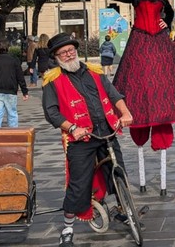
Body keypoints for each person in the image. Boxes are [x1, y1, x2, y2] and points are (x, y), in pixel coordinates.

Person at [100, 0, 175, 196]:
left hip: (158, 39)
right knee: (139, 80)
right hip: (140, 38)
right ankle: (139, 122)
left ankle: (160, 127)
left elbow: (170, 12)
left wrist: (167, 22)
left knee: (162, 79)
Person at [42, 32, 133, 247]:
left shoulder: (95, 72)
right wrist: (72, 128)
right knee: (79, 183)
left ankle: (123, 209)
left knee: (118, 171)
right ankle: (67, 228)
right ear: (56, 56)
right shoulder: (52, 80)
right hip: (80, 138)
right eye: (63, 53)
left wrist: (126, 113)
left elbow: (114, 95)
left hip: (106, 130)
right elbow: (52, 113)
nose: (68, 54)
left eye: (71, 50)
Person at [0, 40, 29, 127]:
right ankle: (13, 134)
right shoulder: (14, 60)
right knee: (12, 114)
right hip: (11, 90)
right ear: (8, 48)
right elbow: (20, 77)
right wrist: (24, 91)